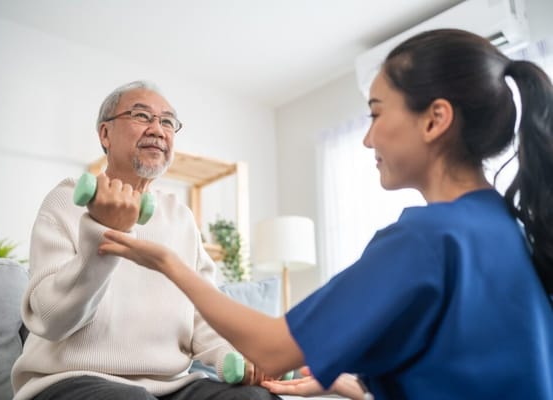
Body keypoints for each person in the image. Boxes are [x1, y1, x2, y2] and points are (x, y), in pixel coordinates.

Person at [98, 28, 553, 400]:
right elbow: (455, 365)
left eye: (376, 114)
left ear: (435, 120)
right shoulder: (507, 226)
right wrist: (346, 381)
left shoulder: (426, 239)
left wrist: (167, 262)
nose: (367, 139)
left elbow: (272, 349)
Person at [11, 81, 280, 400]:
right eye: (141, 116)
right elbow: (50, 319)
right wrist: (103, 231)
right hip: (69, 379)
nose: (157, 129)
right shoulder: (66, 200)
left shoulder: (181, 217)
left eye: (167, 121)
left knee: (255, 399)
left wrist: (230, 356)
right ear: (105, 134)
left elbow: (202, 317)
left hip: (171, 384)